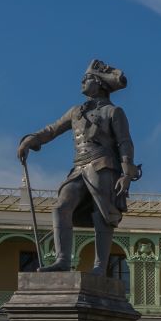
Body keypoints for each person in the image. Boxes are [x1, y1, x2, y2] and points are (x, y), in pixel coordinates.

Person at [17, 59, 143, 274]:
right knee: (60, 207)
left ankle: (99, 267)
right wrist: (31, 140)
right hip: (78, 168)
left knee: (102, 214)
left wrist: (127, 175)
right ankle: (63, 260)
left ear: (99, 84)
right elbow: (52, 129)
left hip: (103, 167)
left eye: (86, 80)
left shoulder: (114, 112)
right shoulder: (76, 111)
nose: (82, 83)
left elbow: (125, 143)